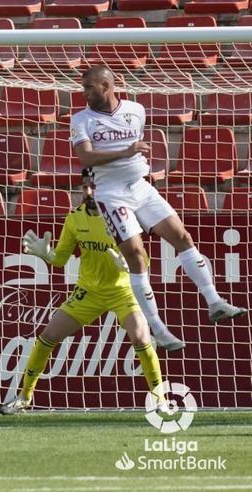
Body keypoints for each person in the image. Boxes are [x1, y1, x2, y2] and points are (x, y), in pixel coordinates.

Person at [70, 65, 246, 325]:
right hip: (111, 193)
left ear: (106, 86)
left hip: (141, 187)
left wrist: (131, 155)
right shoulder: (81, 119)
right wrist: (124, 153)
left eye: (88, 87)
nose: (84, 93)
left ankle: (215, 302)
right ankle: (155, 326)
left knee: (183, 237)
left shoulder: (136, 111)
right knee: (136, 256)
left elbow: (136, 148)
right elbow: (85, 157)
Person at [0, 170, 169, 414]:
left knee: (142, 339)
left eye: (95, 187)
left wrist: (129, 263)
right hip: (88, 292)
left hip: (123, 291)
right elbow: (60, 259)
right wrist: (47, 254)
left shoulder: (121, 216)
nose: (89, 192)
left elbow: (143, 259)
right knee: (47, 337)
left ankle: (160, 400)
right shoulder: (74, 218)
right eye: (85, 187)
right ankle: (24, 397)